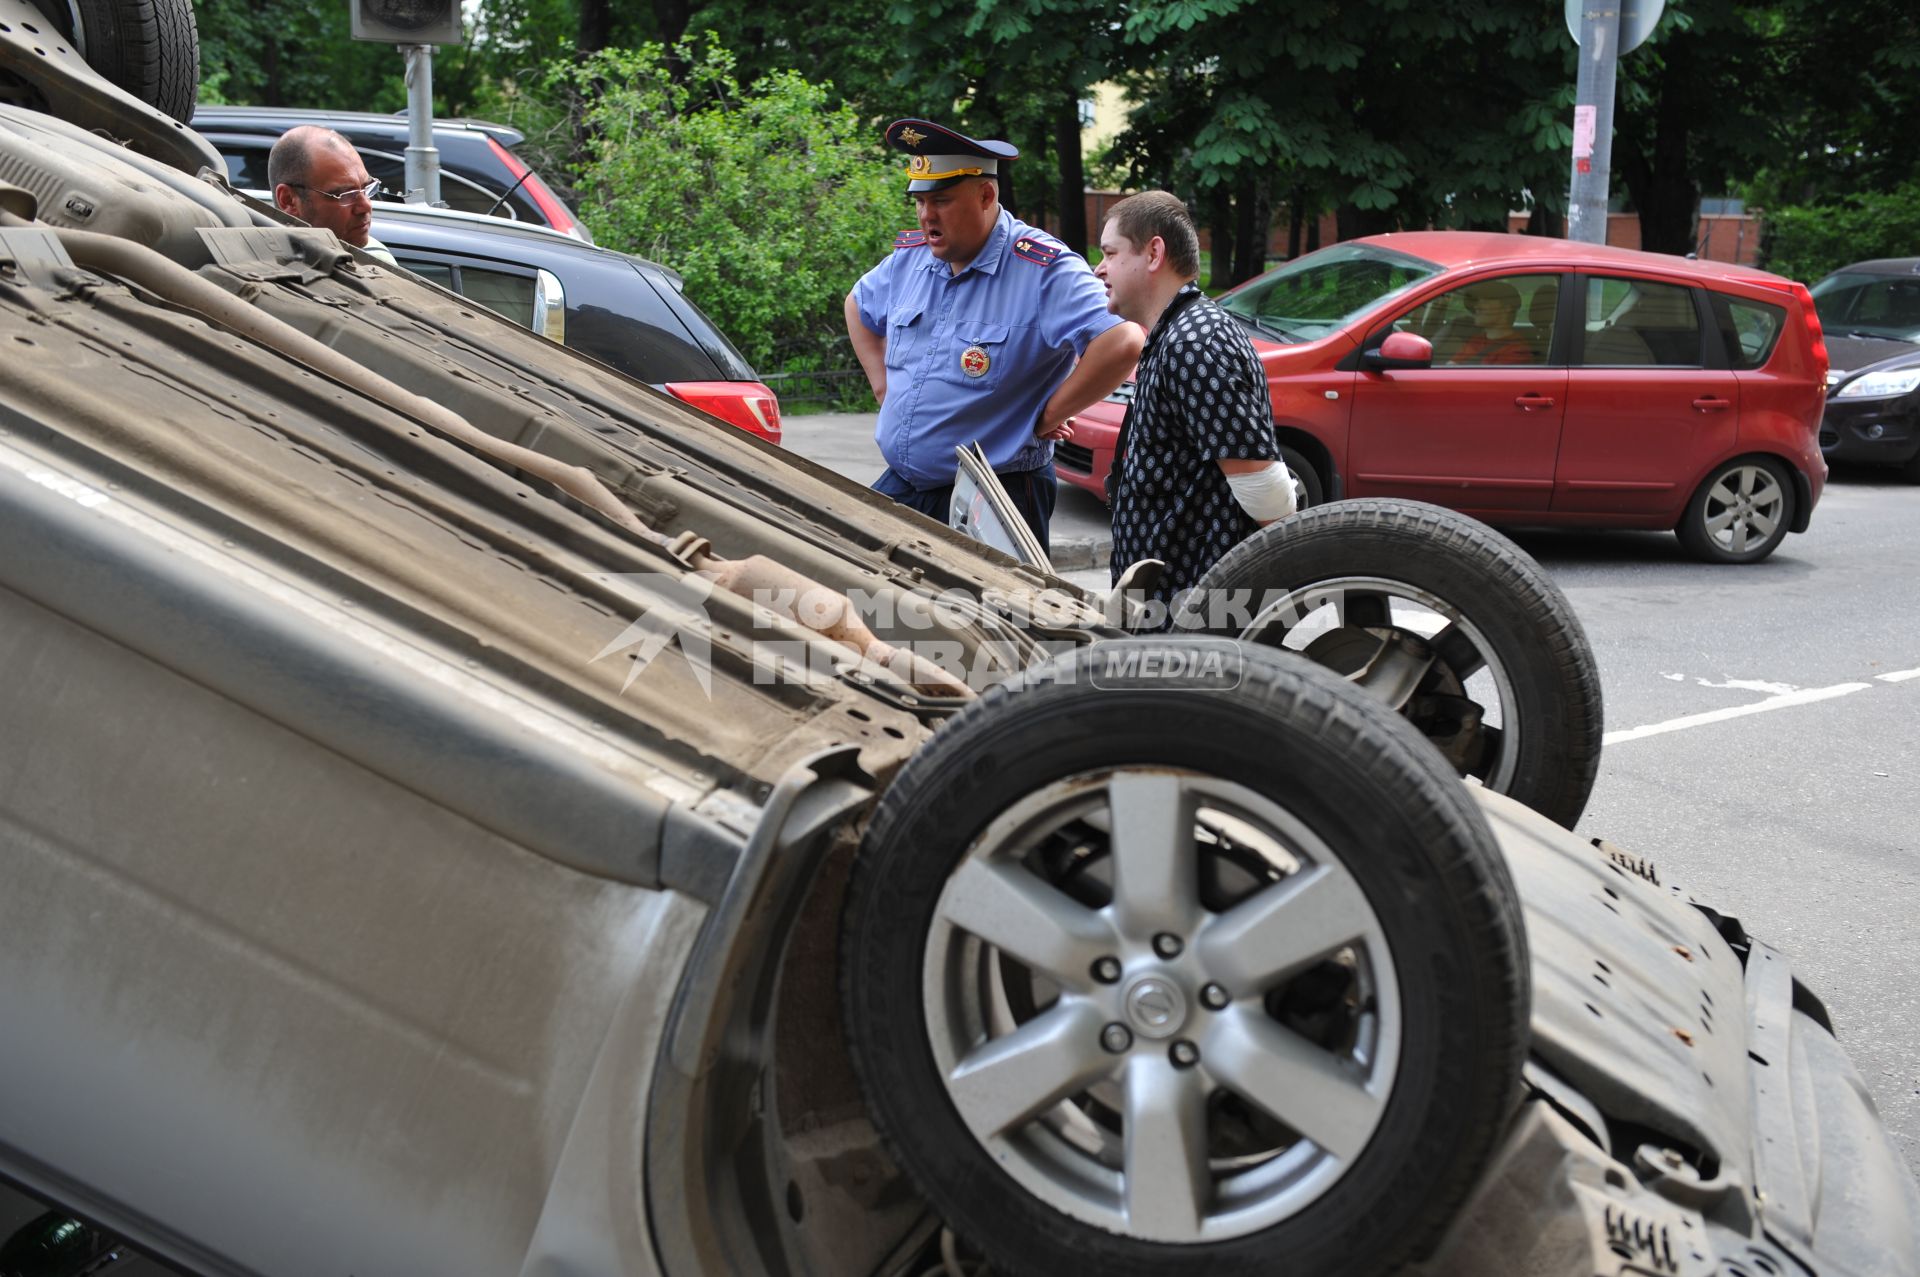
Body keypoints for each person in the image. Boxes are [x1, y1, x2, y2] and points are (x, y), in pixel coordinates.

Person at [846, 119, 1143, 553]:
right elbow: (858, 304)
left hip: (994, 496)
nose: (927, 215)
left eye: (942, 201)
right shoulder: (913, 258)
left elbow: (1123, 343)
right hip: (907, 484)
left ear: (986, 195)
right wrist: (882, 384)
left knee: (987, 617)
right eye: (920, 202)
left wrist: (1043, 417)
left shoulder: (1043, 269)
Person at [1093, 190, 1291, 616]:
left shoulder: (1195, 342)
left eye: (1110, 253)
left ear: (1153, 253)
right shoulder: (1178, 333)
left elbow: (1267, 494)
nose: (1099, 268)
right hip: (1174, 607)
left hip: (1192, 614)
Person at [268, 126, 394, 261]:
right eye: (346, 194)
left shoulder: (377, 256)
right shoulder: (257, 269)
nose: (366, 206)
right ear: (288, 200)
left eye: (367, 187)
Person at [1447, 280, 1535, 365]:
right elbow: (1451, 367)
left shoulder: (1517, 351)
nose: (1476, 307)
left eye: (1485, 301)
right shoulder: (1477, 340)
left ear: (1507, 308)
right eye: (1478, 301)